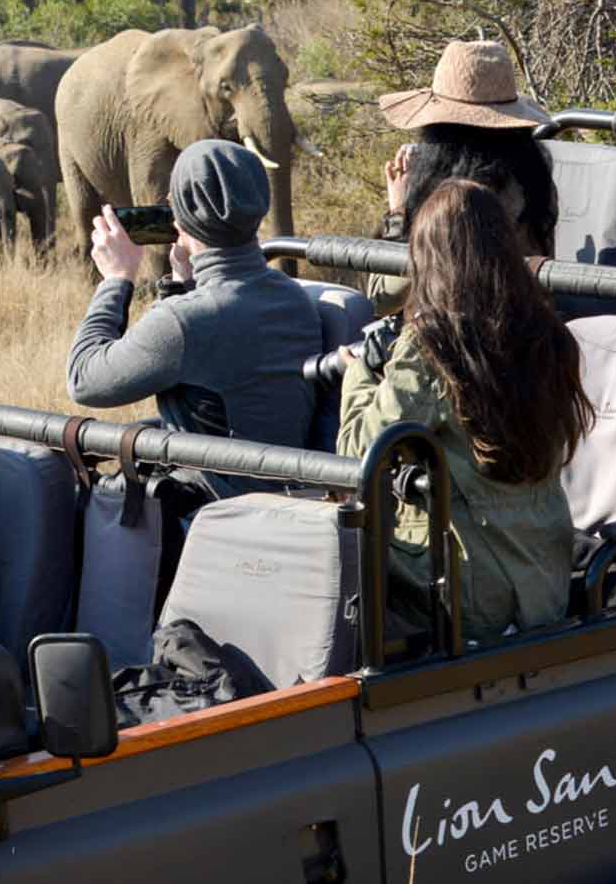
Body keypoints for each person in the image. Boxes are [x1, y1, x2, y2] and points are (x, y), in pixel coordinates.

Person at [338, 180, 586, 641]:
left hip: (464, 597)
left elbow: (359, 455)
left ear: (427, 260)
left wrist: (360, 374)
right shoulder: (551, 335)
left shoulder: (431, 344)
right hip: (542, 585)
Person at [66, 138, 326, 494]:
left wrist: (116, 279)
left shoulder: (186, 322)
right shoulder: (292, 296)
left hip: (209, 509)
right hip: (277, 498)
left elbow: (84, 380)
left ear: (181, 214)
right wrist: (181, 282)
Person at [365, 39, 559, 316]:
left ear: (441, 134)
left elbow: (383, 299)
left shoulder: (452, 204)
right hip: (528, 329)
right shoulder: (534, 181)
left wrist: (399, 210)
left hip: (454, 342)